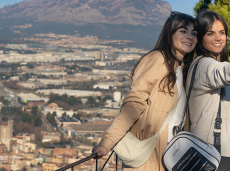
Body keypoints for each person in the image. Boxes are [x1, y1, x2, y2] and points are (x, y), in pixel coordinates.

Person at [92, 12, 198, 171]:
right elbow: (133, 105)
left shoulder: (183, 69)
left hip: (173, 157)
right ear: (170, 34)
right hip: (150, 157)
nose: (190, 36)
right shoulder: (157, 59)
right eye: (183, 31)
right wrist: (107, 141)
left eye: (194, 33)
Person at [186, 10, 230, 170]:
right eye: (210, 33)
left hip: (217, 152)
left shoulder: (215, 65)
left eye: (222, 32)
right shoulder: (204, 65)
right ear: (200, 38)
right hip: (211, 153)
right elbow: (225, 72)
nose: (218, 38)